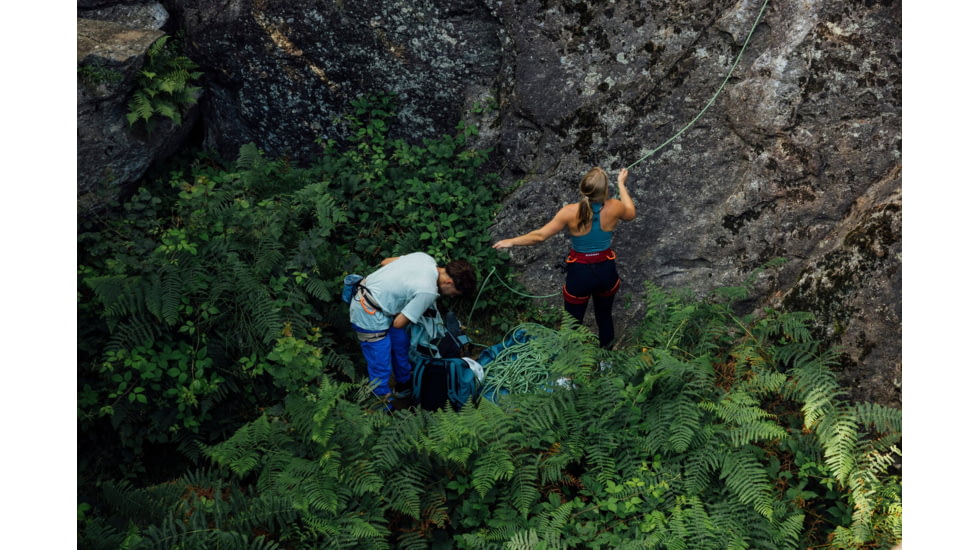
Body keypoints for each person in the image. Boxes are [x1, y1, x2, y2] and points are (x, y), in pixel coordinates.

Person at [493, 167, 636, 348]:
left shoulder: (569, 212)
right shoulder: (615, 206)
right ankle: (606, 360)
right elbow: (631, 213)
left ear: (582, 189)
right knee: (605, 316)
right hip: (605, 270)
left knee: (572, 323)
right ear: (605, 190)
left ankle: (569, 364)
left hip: (580, 273)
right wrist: (621, 184)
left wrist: (512, 241)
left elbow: (540, 236)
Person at [349, 252, 476, 407]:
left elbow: (385, 262)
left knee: (401, 342)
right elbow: (398, 323)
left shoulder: (425, 258)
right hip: (368, 313)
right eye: (454, 294)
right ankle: (382, 406)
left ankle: (403, 384)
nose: (451, 297)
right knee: (380, 365)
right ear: (449, 282)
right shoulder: (428, 291)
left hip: (374, 299)